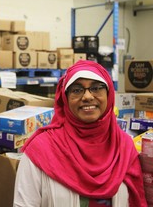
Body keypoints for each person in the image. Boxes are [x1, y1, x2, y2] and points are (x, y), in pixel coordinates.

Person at [13, 60, 147, 207]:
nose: (88, 96)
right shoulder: (41, 149)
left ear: (109, 95)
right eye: (77, 90)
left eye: (96, 88)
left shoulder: (125, 148)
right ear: (65, 98)